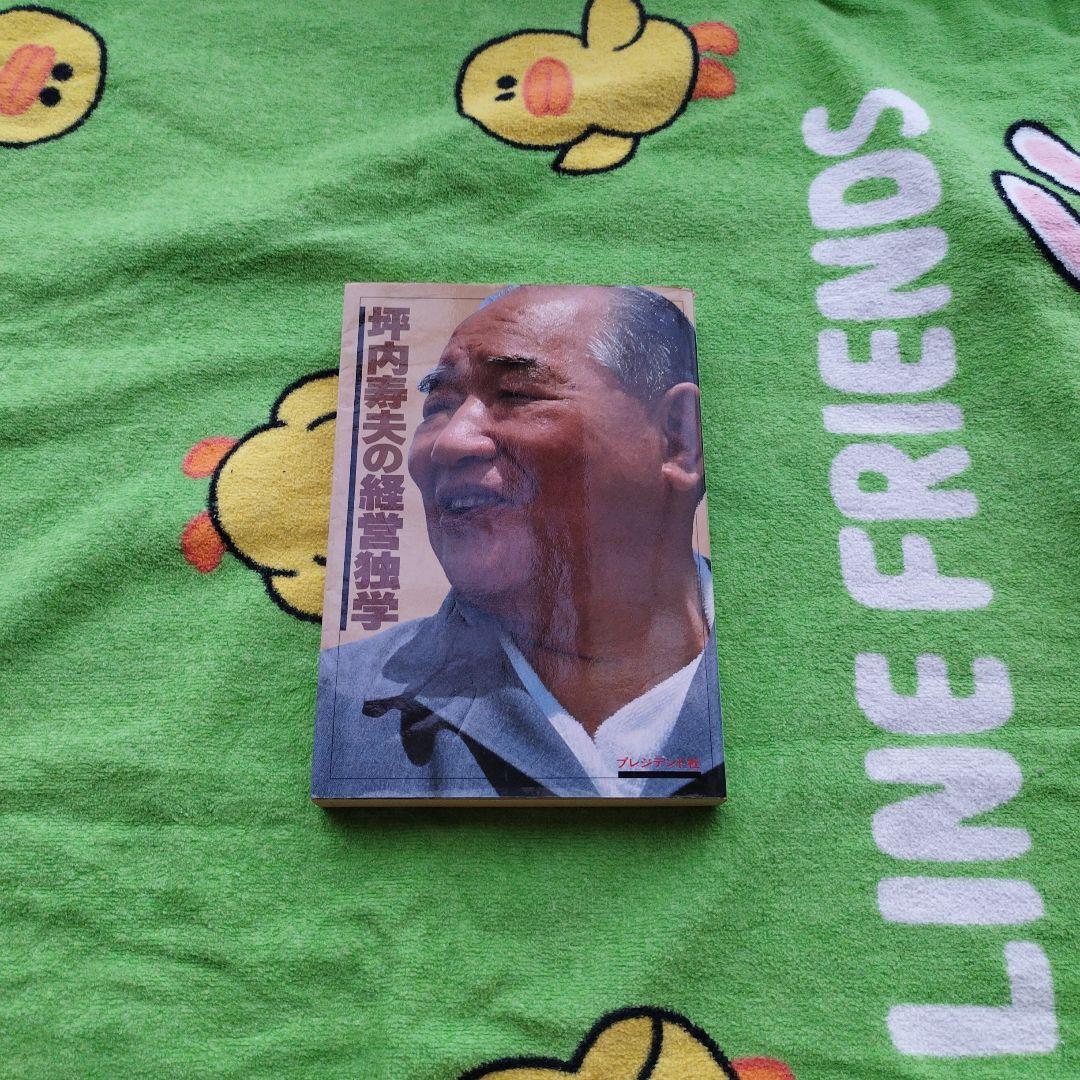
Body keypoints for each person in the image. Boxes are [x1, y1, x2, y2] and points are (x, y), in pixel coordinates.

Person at [313, 285, 723, 800]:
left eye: (515, 395)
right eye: (439, 405)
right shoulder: (345, 708)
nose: (449, 442)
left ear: (678, 439)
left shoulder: (797, 683)